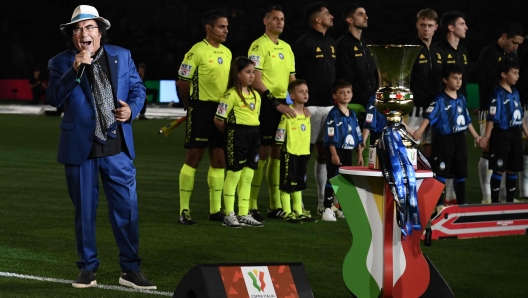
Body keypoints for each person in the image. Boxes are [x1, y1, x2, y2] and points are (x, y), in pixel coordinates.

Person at [45, 5, 155, 289]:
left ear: (100, 32)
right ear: (72, 36)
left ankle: (130, 270)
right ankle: (87, 269)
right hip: (81, 149)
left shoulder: (121, 55)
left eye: (90, 27)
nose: (84, 33)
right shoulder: (60, 62)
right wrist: (75, 69)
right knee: (84, 212)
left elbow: (137, 88)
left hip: (118, 147)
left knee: (127, 210)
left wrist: (133, 109)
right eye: (78, 29)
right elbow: (54, 98)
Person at [176, 9, 231, 225]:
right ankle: (184, 210)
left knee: (219, 159)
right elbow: (183, 82)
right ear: (209, 28)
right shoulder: (196, 51)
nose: (226, 30)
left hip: (220, 111)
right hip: (200, 110)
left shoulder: (227, 53)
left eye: (227, 27)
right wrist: (190, 107)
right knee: (194, 158)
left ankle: (215, 210)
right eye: (222, 26)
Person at [248, 5, 297, 221]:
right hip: (265, 103)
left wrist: (297, 102)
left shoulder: (287, 47)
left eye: (283, 19)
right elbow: (255, 78)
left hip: (282, 105)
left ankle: (275, 204)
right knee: (263, 151)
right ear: (266, 21)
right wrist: (273, 102)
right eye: (275, 19)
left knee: (278, 151)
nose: (280, 22)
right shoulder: (258, 46)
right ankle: (251, 204)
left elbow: (291, 79)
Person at [413, 65, 481, 208]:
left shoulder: (461, 98)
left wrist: (476, 137)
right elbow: (429, 117)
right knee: (441, 173)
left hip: (460, 140)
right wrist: (420, 130)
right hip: (444, 141)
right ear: (445, 79)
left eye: (460, 78)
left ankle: (462, 204)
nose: (458, 81)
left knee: (461, 173)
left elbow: (467, 120)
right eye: (455, 78)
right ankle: (438, 206)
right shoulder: (439, 100)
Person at [292, 2, 337, 216]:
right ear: (317, 19)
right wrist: (300, 104)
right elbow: (296, 76)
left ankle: (322, 202)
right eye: (327, 14)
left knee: (325, 154)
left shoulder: (331, 42)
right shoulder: (304, 43)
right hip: (309, 107)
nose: (331, 16)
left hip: (329, 105)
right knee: (303, 154)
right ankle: (297, 202)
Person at [214, 56, 264, 228]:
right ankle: (229, 214)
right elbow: (219, 120)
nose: (252, 76)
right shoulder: (230, 95)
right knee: (234, 174)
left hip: (254, 135)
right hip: (237, 134)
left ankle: (243, 213)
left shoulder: (257, 96)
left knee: (248, 175)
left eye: (253, 72)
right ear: (238, 74)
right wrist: (231, 135)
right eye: (248, 72)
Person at [477, 23, 524, 204]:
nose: (515, 47)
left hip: (509, 113)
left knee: (507, 157)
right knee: (488, 152)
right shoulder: (488, 53)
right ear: (504, 37)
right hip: (490, 110)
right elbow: (487, 82)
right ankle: (487, 197)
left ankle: (505, 197)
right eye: (513, 42)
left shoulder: (511, 54)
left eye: (518, 44)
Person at [434, 10, 469, 206]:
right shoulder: (438, 50)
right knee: (437, 158)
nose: (466, 27)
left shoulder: (463, 52)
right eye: (462, 23)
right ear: (451, 27)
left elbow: (465, 83)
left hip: (459, 112)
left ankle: (452, 201)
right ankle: (436, 202)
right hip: (441, 113)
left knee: (458, 162)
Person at [275, 79, 317, 223]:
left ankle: (298, 211)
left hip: (302, 153)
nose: (305, 94)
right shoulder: (288, 114)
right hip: (290, 153)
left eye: (306, 91)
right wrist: (282, 148)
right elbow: (280, 135)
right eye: (301, 91)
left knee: (300, 183)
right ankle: (287, 212)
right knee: (287, 183)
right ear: (292, 96)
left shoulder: (307, 114)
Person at [323, 80, 364, 221]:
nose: (345, 94)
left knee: (345, 179)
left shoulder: (352, 114)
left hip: (348, 152)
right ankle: (327, 209)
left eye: (348, 92)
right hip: (336, 151)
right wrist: (334, 154)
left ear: (352, 95)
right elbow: (330, 135)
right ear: (335, 96)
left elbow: (358, 134)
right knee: (333, 178)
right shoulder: (333, 114)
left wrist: (359, 153)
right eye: (341, 92)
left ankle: (339, 207)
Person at [407, 8, 443, 159]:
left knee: (430, 148)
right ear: (417, 25)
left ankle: (426, 181)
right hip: (416, 108)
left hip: (434, 108)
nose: (426, 29)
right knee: (410, 147)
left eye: (429, 25)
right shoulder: (411, 50)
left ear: (436, 27)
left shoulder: (438, 50)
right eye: (423, 25)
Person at [335, 3, 378, 125]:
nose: (366, 17)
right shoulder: (343, 44)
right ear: (350, 20)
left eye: (365, 14)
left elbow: (375, 73)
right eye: (361, 14)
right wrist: (367, 100)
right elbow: (347, 77)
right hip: (356, 104)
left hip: (372, 102)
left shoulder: (368, 44)